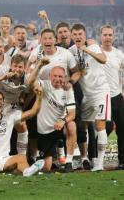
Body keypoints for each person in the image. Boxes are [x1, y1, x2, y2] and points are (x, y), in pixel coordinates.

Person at [68, 23, 110, 171]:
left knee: (100, 126)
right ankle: (83, 157)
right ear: (72, 36)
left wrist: (87, 49)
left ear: (85, 35)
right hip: (86, 94)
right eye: (75, 34)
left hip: (100, 91)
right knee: (83, 126)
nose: (78, 37)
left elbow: (103, 59)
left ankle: (99, 162)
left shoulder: (93, 46)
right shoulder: (71, 51)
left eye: (81, 34)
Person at [35, 66, 76, 172]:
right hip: (45, 130)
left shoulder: (68, 89)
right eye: (55, 76)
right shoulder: (42, 84)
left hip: (59, 126)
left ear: (65, 77)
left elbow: (72, 113)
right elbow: (32, 81)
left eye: (60, 76)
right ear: (49, 76)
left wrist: (63, 121)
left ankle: (69, 163)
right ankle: (49, 157)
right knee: (46, 168)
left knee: (71, 125)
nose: (57, 79)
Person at [99, 25, 124, 169]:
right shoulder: (97, 52)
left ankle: (122, 161)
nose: (108, 37)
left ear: (113, 37)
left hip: (116, 96)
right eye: (105, 35)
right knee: (105, 128)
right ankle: (94, 158)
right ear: (100, 36)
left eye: (110, 35)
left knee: (122, 129)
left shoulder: (119, 54)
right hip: (102, 96)